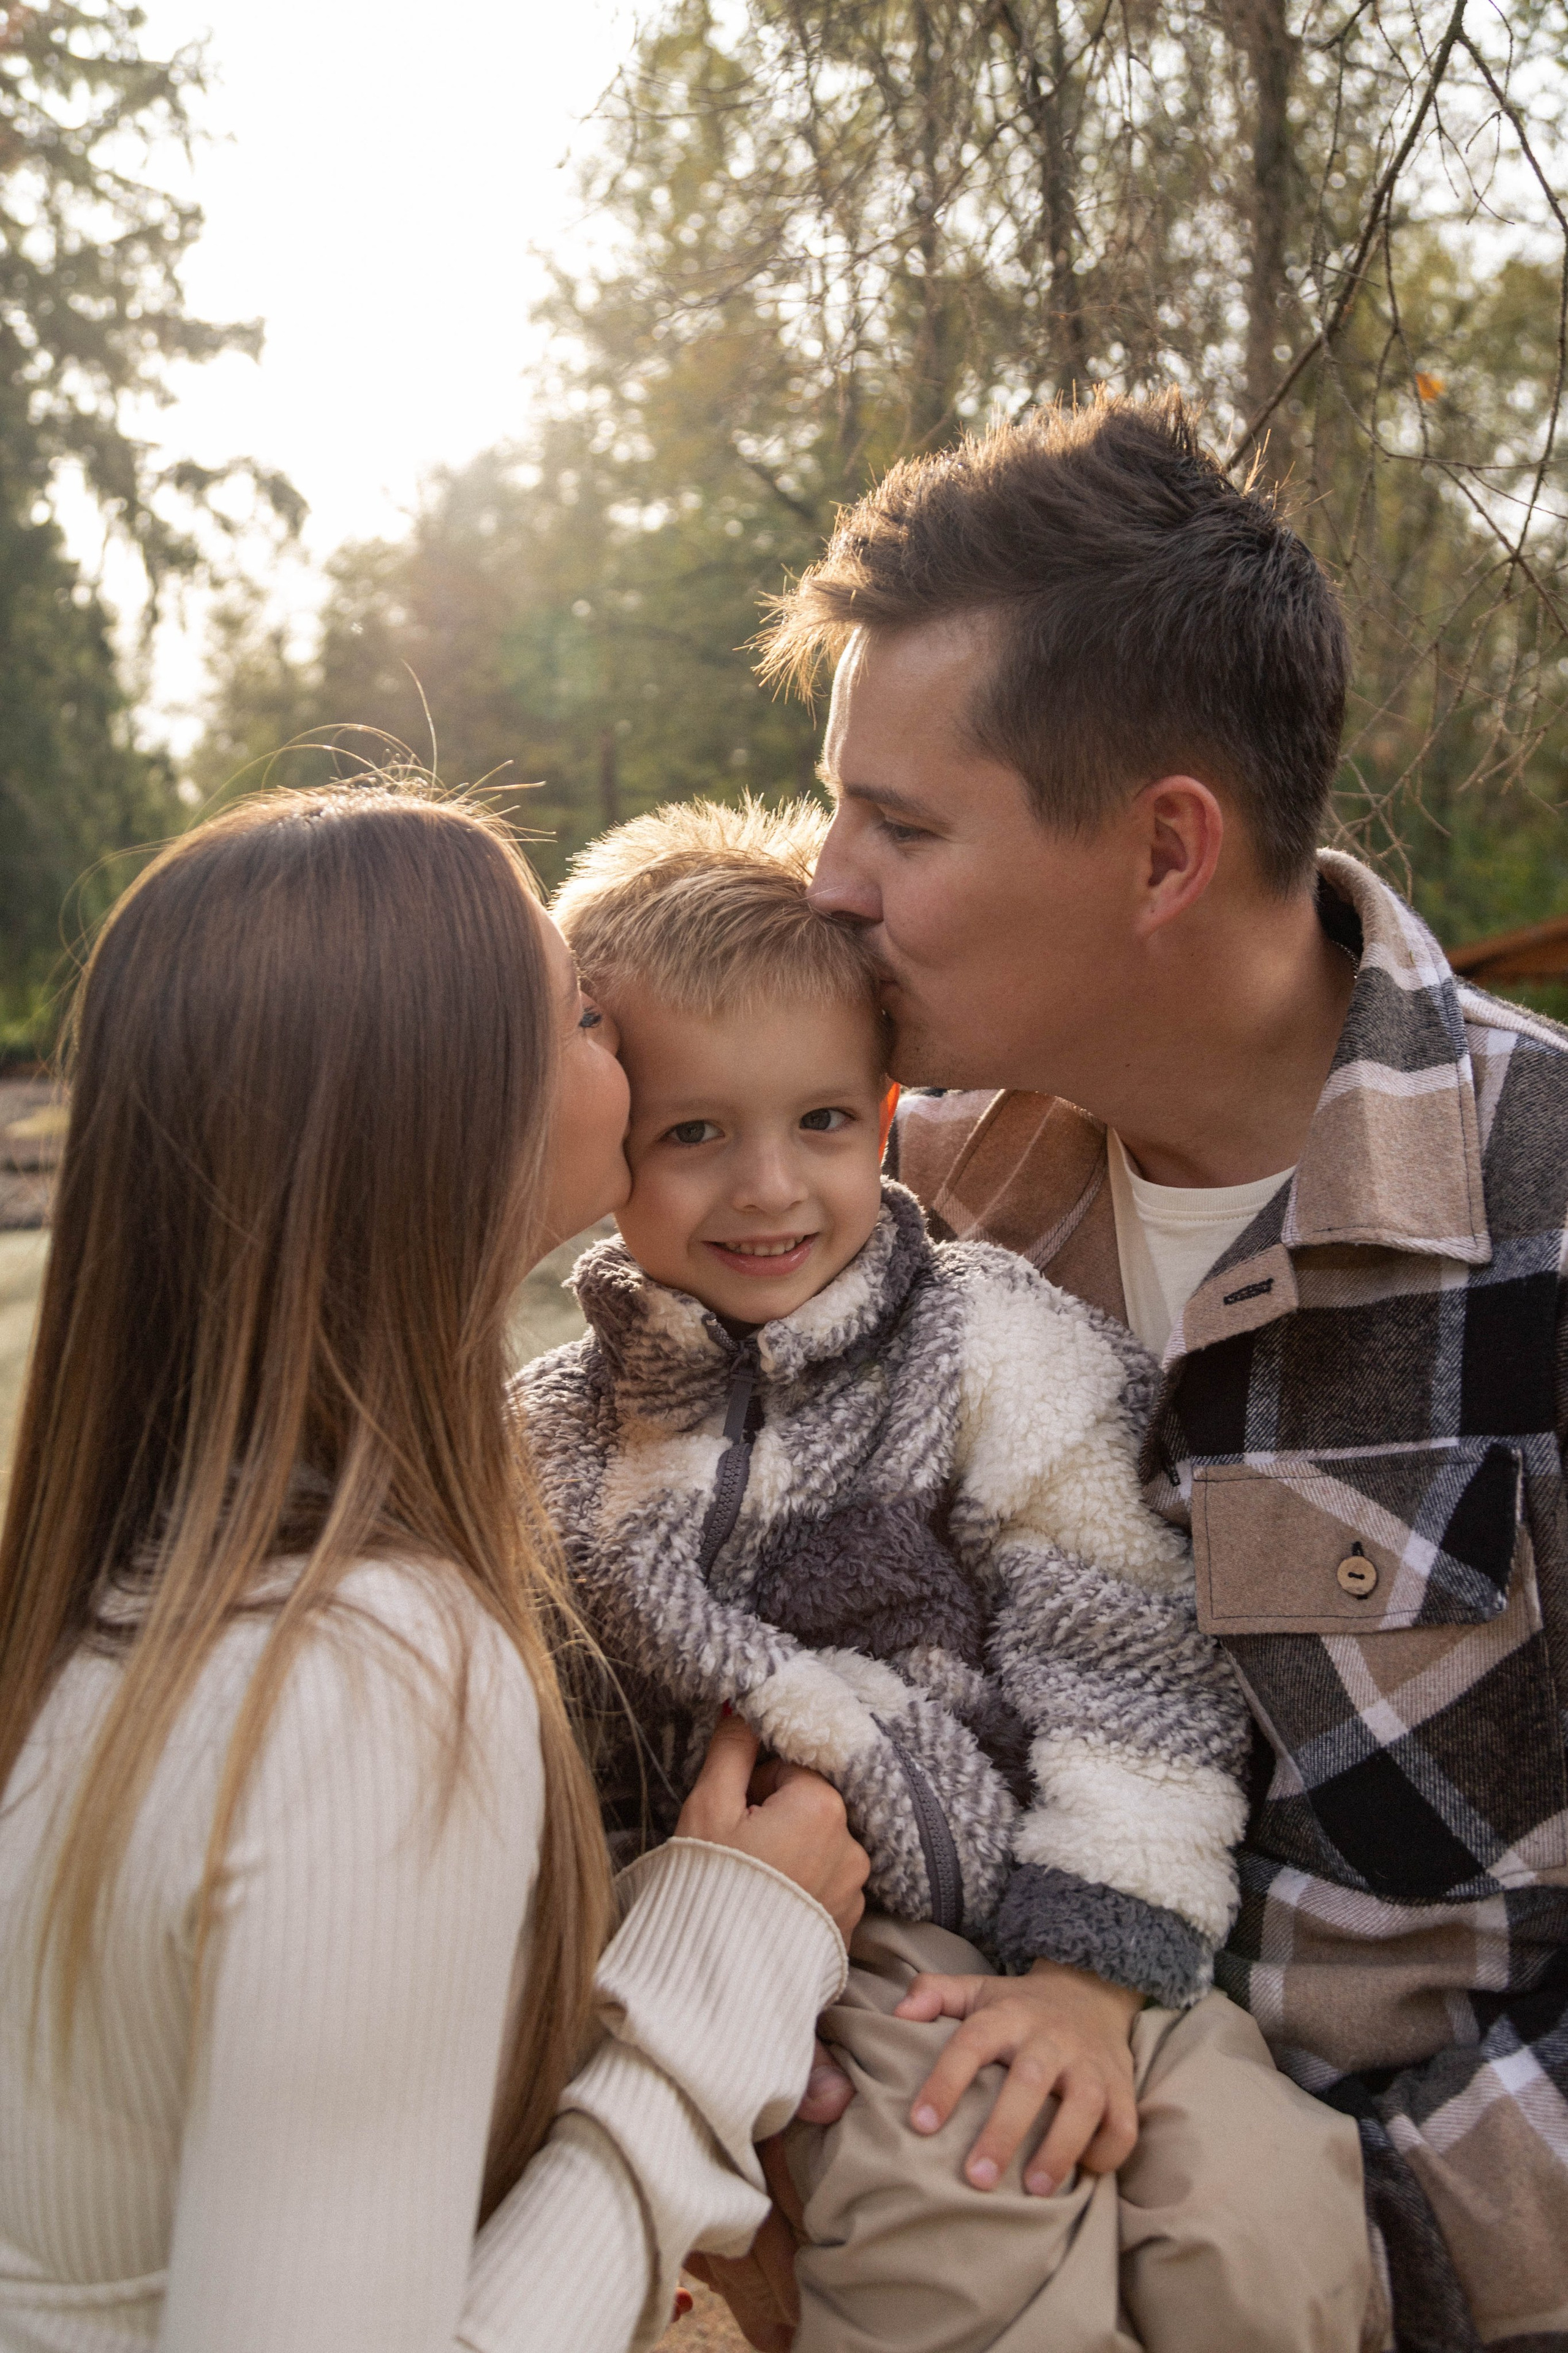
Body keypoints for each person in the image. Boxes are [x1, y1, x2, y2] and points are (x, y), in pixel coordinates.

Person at [749, 389, 1568, 2353]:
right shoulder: (903, 1210)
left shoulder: (1545, 1210)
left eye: (902, 825)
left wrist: (1354, 2260)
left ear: (1166, 851)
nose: (827, 879)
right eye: (837, 803)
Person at [0, 780, 870, 2353]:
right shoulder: (362, 1678)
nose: (627, 1045)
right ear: (452, 1116)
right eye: (581, 1014)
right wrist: (723, 1957)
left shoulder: (130, 1591)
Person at [520, 794, 1375, 2353]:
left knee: (1263, 2215)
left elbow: (1130, 1660)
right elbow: (550, 1777)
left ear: (886, 1105)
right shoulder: (566, 1442)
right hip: (819, 1939)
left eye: (821, 1121)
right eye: (693, 1133)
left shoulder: (980, 1341)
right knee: (960, 2212)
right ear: (600, 1142)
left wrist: (1088, 1975)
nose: (769, 1187)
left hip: (1087, 1900)